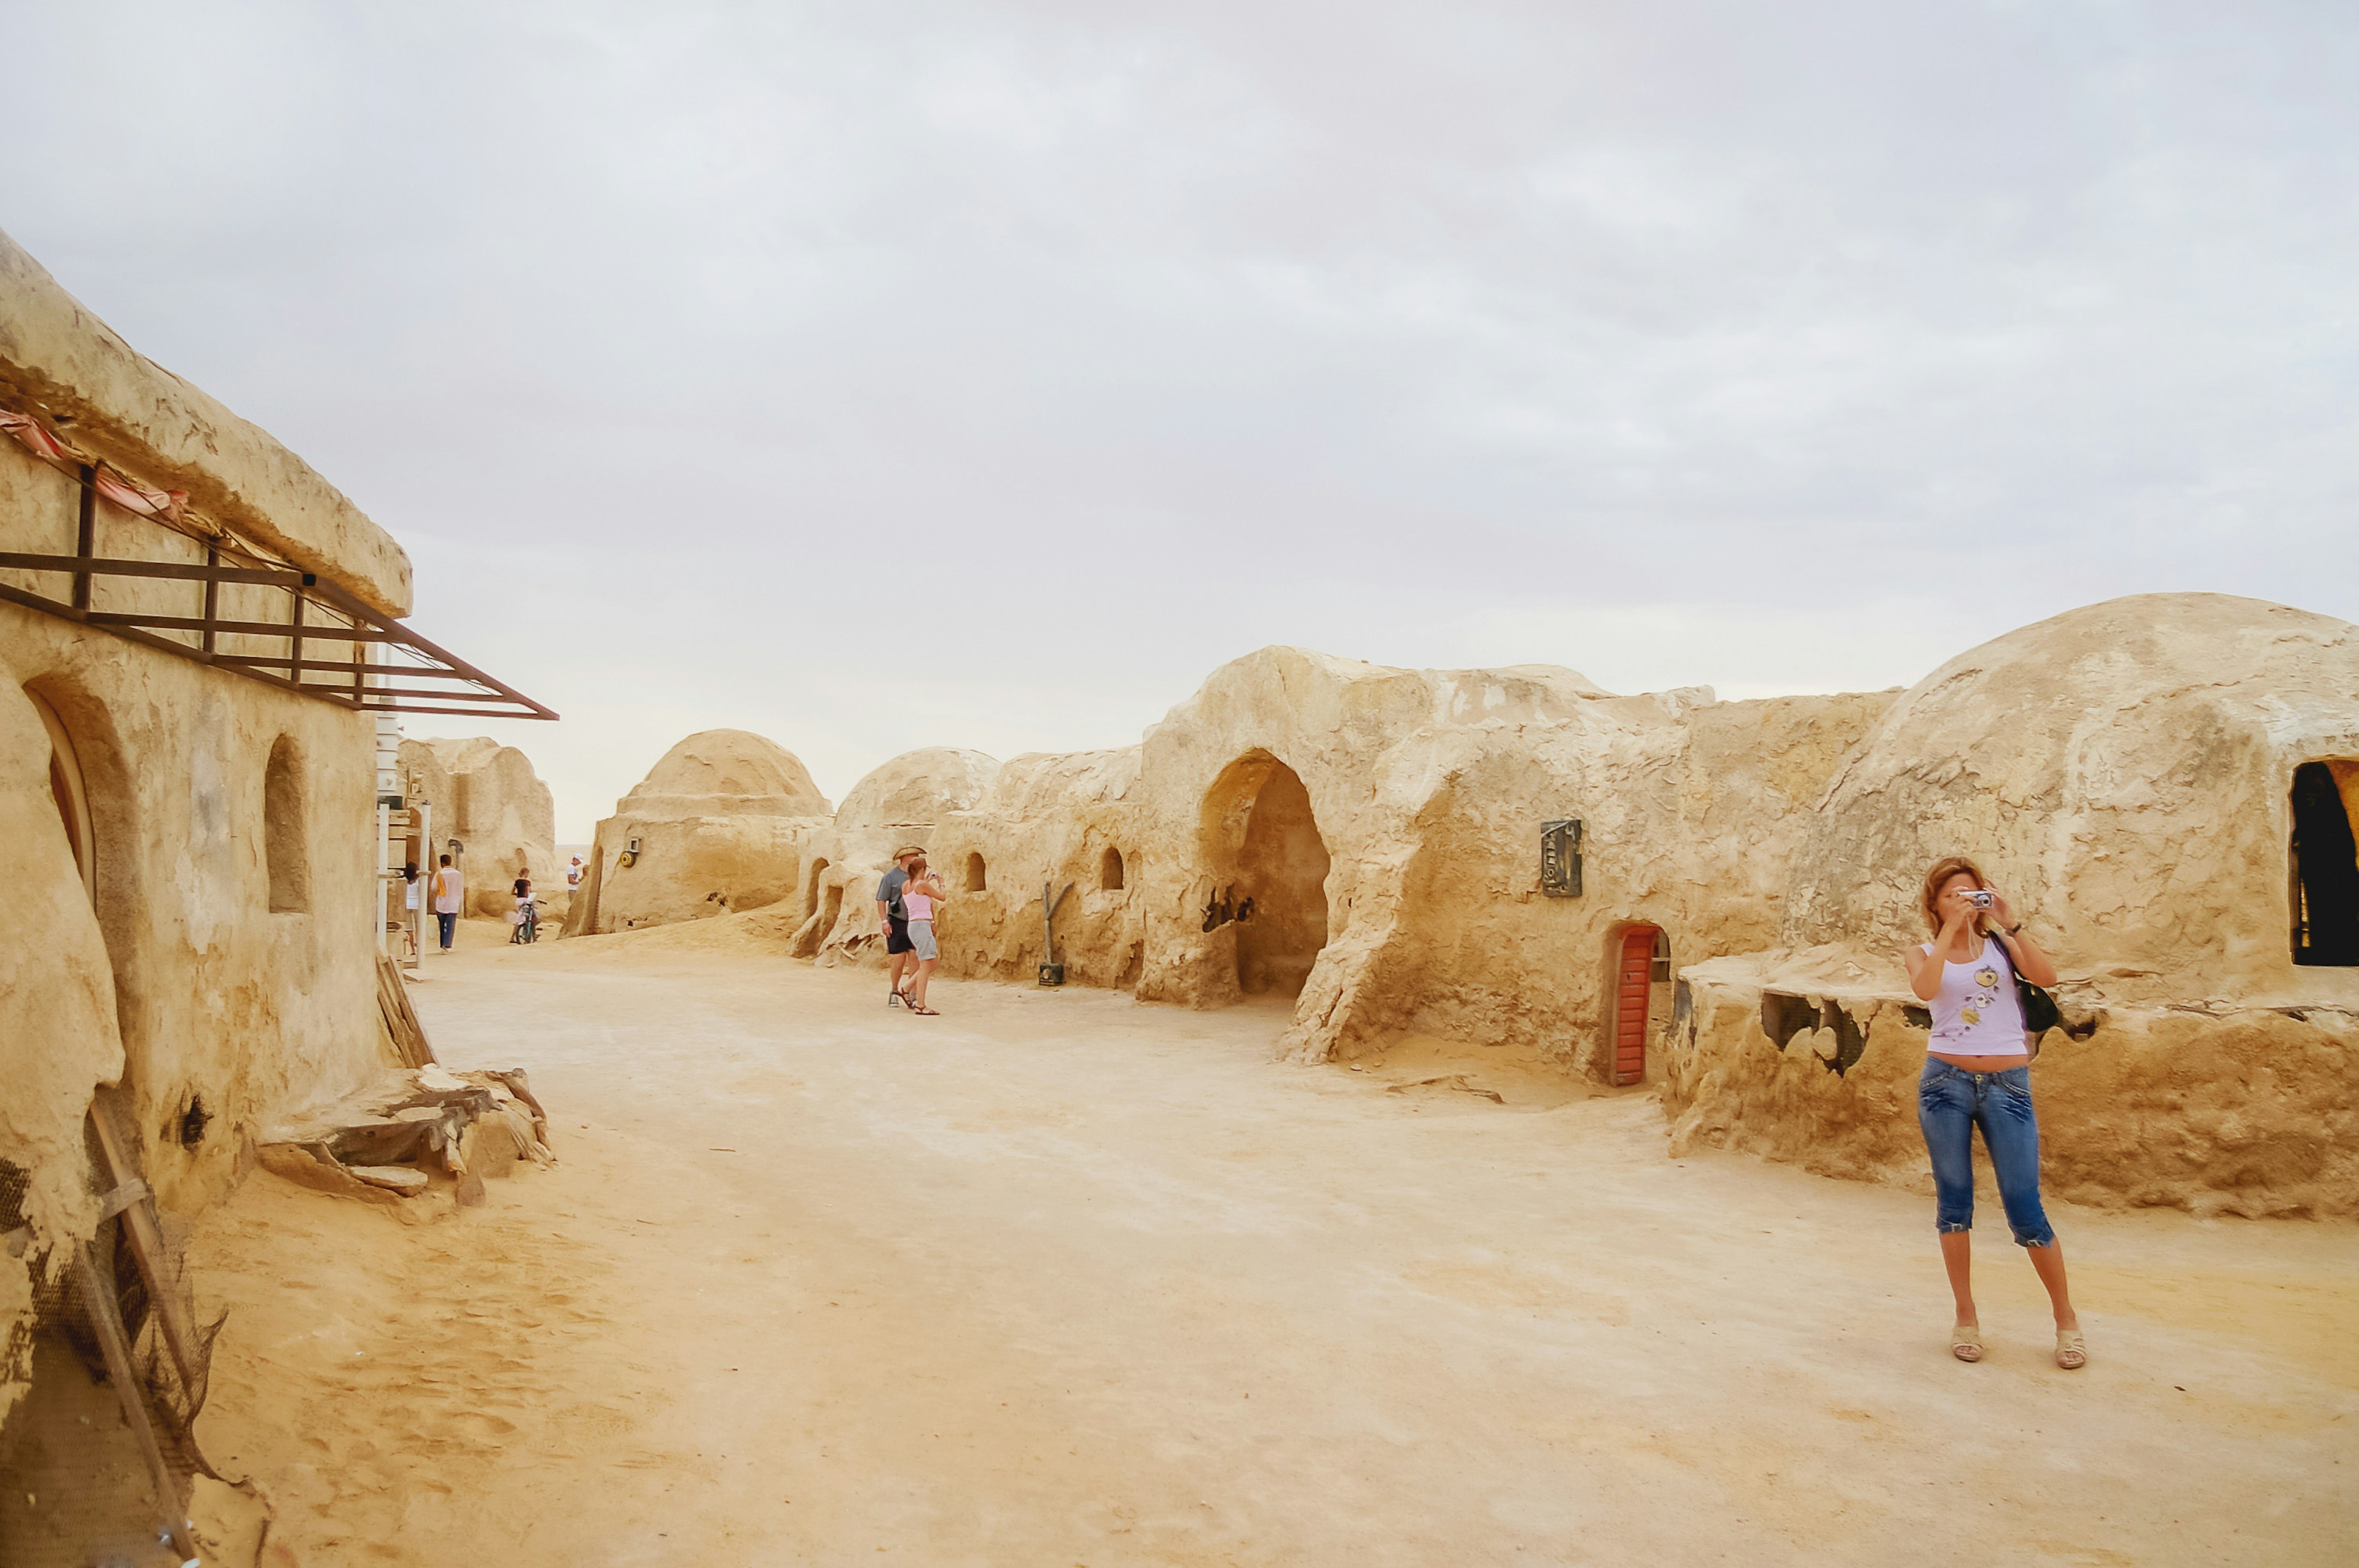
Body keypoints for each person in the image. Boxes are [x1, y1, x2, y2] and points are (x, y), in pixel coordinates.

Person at [1903, 856, 2084, 1370]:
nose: (1963, 902)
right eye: (1951, 896)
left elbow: (2047, 977)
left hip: (2008, 1083)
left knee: (2025, 1204)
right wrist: (1949, 933)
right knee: (1954, 1203)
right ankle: (1965, 1316)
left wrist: (2009, 921)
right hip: (1945, 1083)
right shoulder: (1921, 951)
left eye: (1971, 893)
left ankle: (2066, 1320)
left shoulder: (2003, 945)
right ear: (1934, 904)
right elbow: (1927, 988)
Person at [875, 846, 925, 1007]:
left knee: (915, 958)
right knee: (898, 959)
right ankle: (895, 990)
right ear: (906, 857)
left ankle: (912, 994)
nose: (917, 858)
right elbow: (881, 899)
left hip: (915, 921)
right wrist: (884, 921)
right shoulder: (891, 877)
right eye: (915, 856)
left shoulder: (918, 876)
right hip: (897, 921)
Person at [899, 856, 945, 1016]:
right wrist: (941, 883)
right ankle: (921, 1005)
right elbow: (942, 897)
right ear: (922, 870)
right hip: (922, 926)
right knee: (926, 965)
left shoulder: (906, 885)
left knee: (931, 963)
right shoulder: (922, 885)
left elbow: (919, 893)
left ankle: (906, 989)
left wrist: (926, 881)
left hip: (914, 925)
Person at [431, 854, 463, 954]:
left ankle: (442, 944)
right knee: (450, 925)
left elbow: (433, 887)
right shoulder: (458, 874)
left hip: (441, 903)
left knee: (442, 925)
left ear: (442, 863)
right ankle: (448, 944)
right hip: (454, 903)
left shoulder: (439, 874)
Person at [511, 869, 534, 943]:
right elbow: (529, 892)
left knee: (521, 917)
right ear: (526, 873)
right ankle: (529, 934)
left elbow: (512, 892)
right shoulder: (527, 882)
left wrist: (518, 895)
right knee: (529, 917)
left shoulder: (517, 882)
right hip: (525, 900)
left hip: (518, 900)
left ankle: (516, 936)